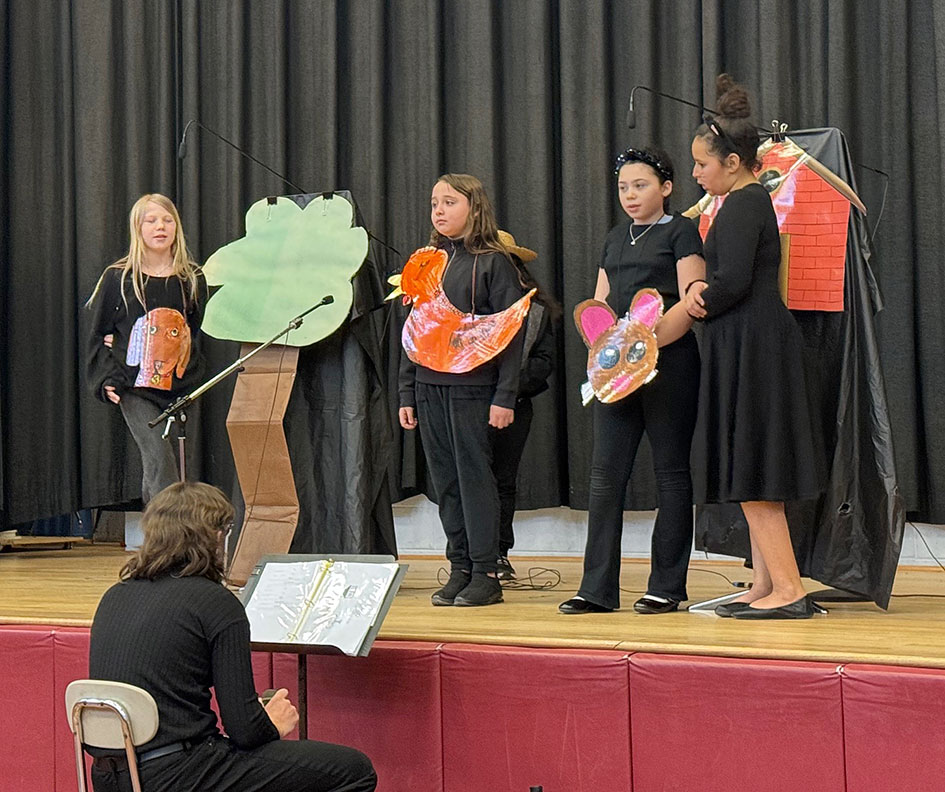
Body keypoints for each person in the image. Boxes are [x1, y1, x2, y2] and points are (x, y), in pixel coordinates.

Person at [88, 481, 377, 792]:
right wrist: (271, 723)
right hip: (179, 773)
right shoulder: (216, 602)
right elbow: (245, 731)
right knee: (355, 770)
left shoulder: (114, 595)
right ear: (215, 536)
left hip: (110, 776)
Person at [685, 74, 824, 620]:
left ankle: (789, 590)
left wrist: (699, 297)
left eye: (702, 164)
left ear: (734, 162)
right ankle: (766, 583)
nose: (696, 172)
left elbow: (734, 281)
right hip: (746, 341)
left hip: (754, 344)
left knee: (755, 469)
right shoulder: (741, 201)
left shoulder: (743, 206)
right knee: (752, 466)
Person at [559, 147, 705, 615]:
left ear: (665, 188)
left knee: (671, 475)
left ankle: (667, 586)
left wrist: (644, 345)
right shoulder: (614, 238)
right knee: (604, 478)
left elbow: (690, 301)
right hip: (617, 373)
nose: (630, 195)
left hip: (668, 365)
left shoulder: (682, 231)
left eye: (640, 185)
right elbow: (600, 304)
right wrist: (608, 352)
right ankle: (596, 589)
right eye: (623, 187)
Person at [398, 174, 527, 607]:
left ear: (473, 207)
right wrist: (407, 392)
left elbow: (511, 331)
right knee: (446, 481)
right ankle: (460, 567)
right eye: (434, 202)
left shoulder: (495, 262)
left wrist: (505, 395)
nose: (438, 210)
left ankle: (487, 571)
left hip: (474, 390)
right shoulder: (426, 262)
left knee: (475, 479)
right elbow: (414, 330)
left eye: (449, 202)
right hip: (430, 388)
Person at [86, 194, 207, 503]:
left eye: (167, 220)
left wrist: (195, 372)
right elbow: (99, 334)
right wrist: (105, 379)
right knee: (158, 459)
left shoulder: (192, 278)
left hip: (183, 388)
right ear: (137, 228)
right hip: (135, 388)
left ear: (177, 228)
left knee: (176, 468)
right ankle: (166, 544)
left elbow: (199, 332)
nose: (160, 227)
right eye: (151, 220)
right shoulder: (118, 278)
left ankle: (158, 540)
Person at [491, 232, 558, 580]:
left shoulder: (536, 312)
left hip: (514, 406)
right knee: (468, 480)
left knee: (503, 480)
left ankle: (499, 552)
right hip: (467, 403)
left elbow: (544, 360)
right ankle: (470, 555)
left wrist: (508, 389)